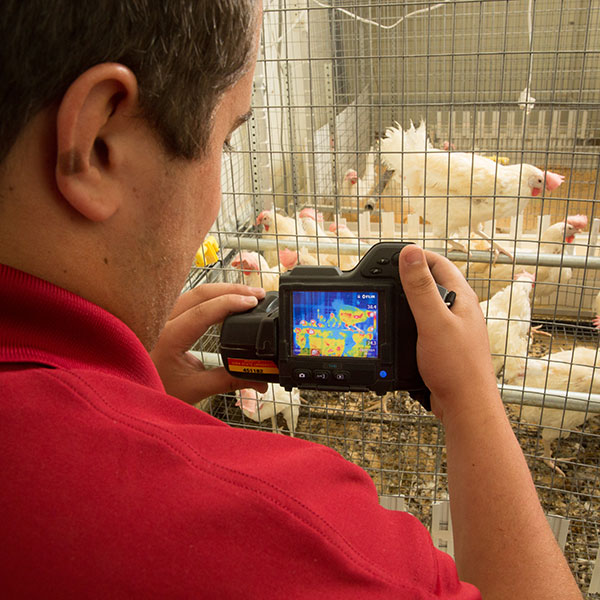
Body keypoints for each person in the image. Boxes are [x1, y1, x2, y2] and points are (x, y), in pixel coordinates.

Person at [0, 2, 582, 599]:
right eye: (227, 142)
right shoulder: (291, 525)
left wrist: (133, 399)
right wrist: (475, 403)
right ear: (97, 145)